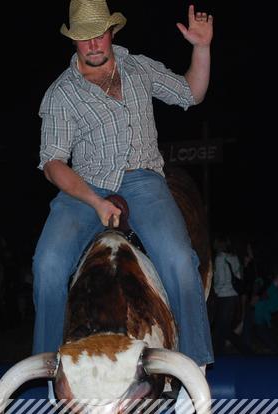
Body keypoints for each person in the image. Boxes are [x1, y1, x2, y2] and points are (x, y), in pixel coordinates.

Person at [32, 0, 214, 369]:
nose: (93, 44)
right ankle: (49, 369)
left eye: (99, 34)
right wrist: (95, 202)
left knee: (181, 261)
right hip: (84, 187)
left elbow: (191, 93)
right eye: (84, 37)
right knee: (47, 264)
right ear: (73, 40)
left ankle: (195, 366)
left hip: (144, 179)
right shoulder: (61, 94)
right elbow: (52, 164)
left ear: (112, 32)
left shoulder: (139, 68)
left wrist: (202, 48)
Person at [211, 234, 248, 355]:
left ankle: (245, 350)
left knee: (221, 328)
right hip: (233, 295)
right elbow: (239, 276)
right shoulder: (234, 257)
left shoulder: (219, 258)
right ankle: (220, 353)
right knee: (223, 327)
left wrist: (215, 290)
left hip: (224, 296)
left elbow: (220, 280)